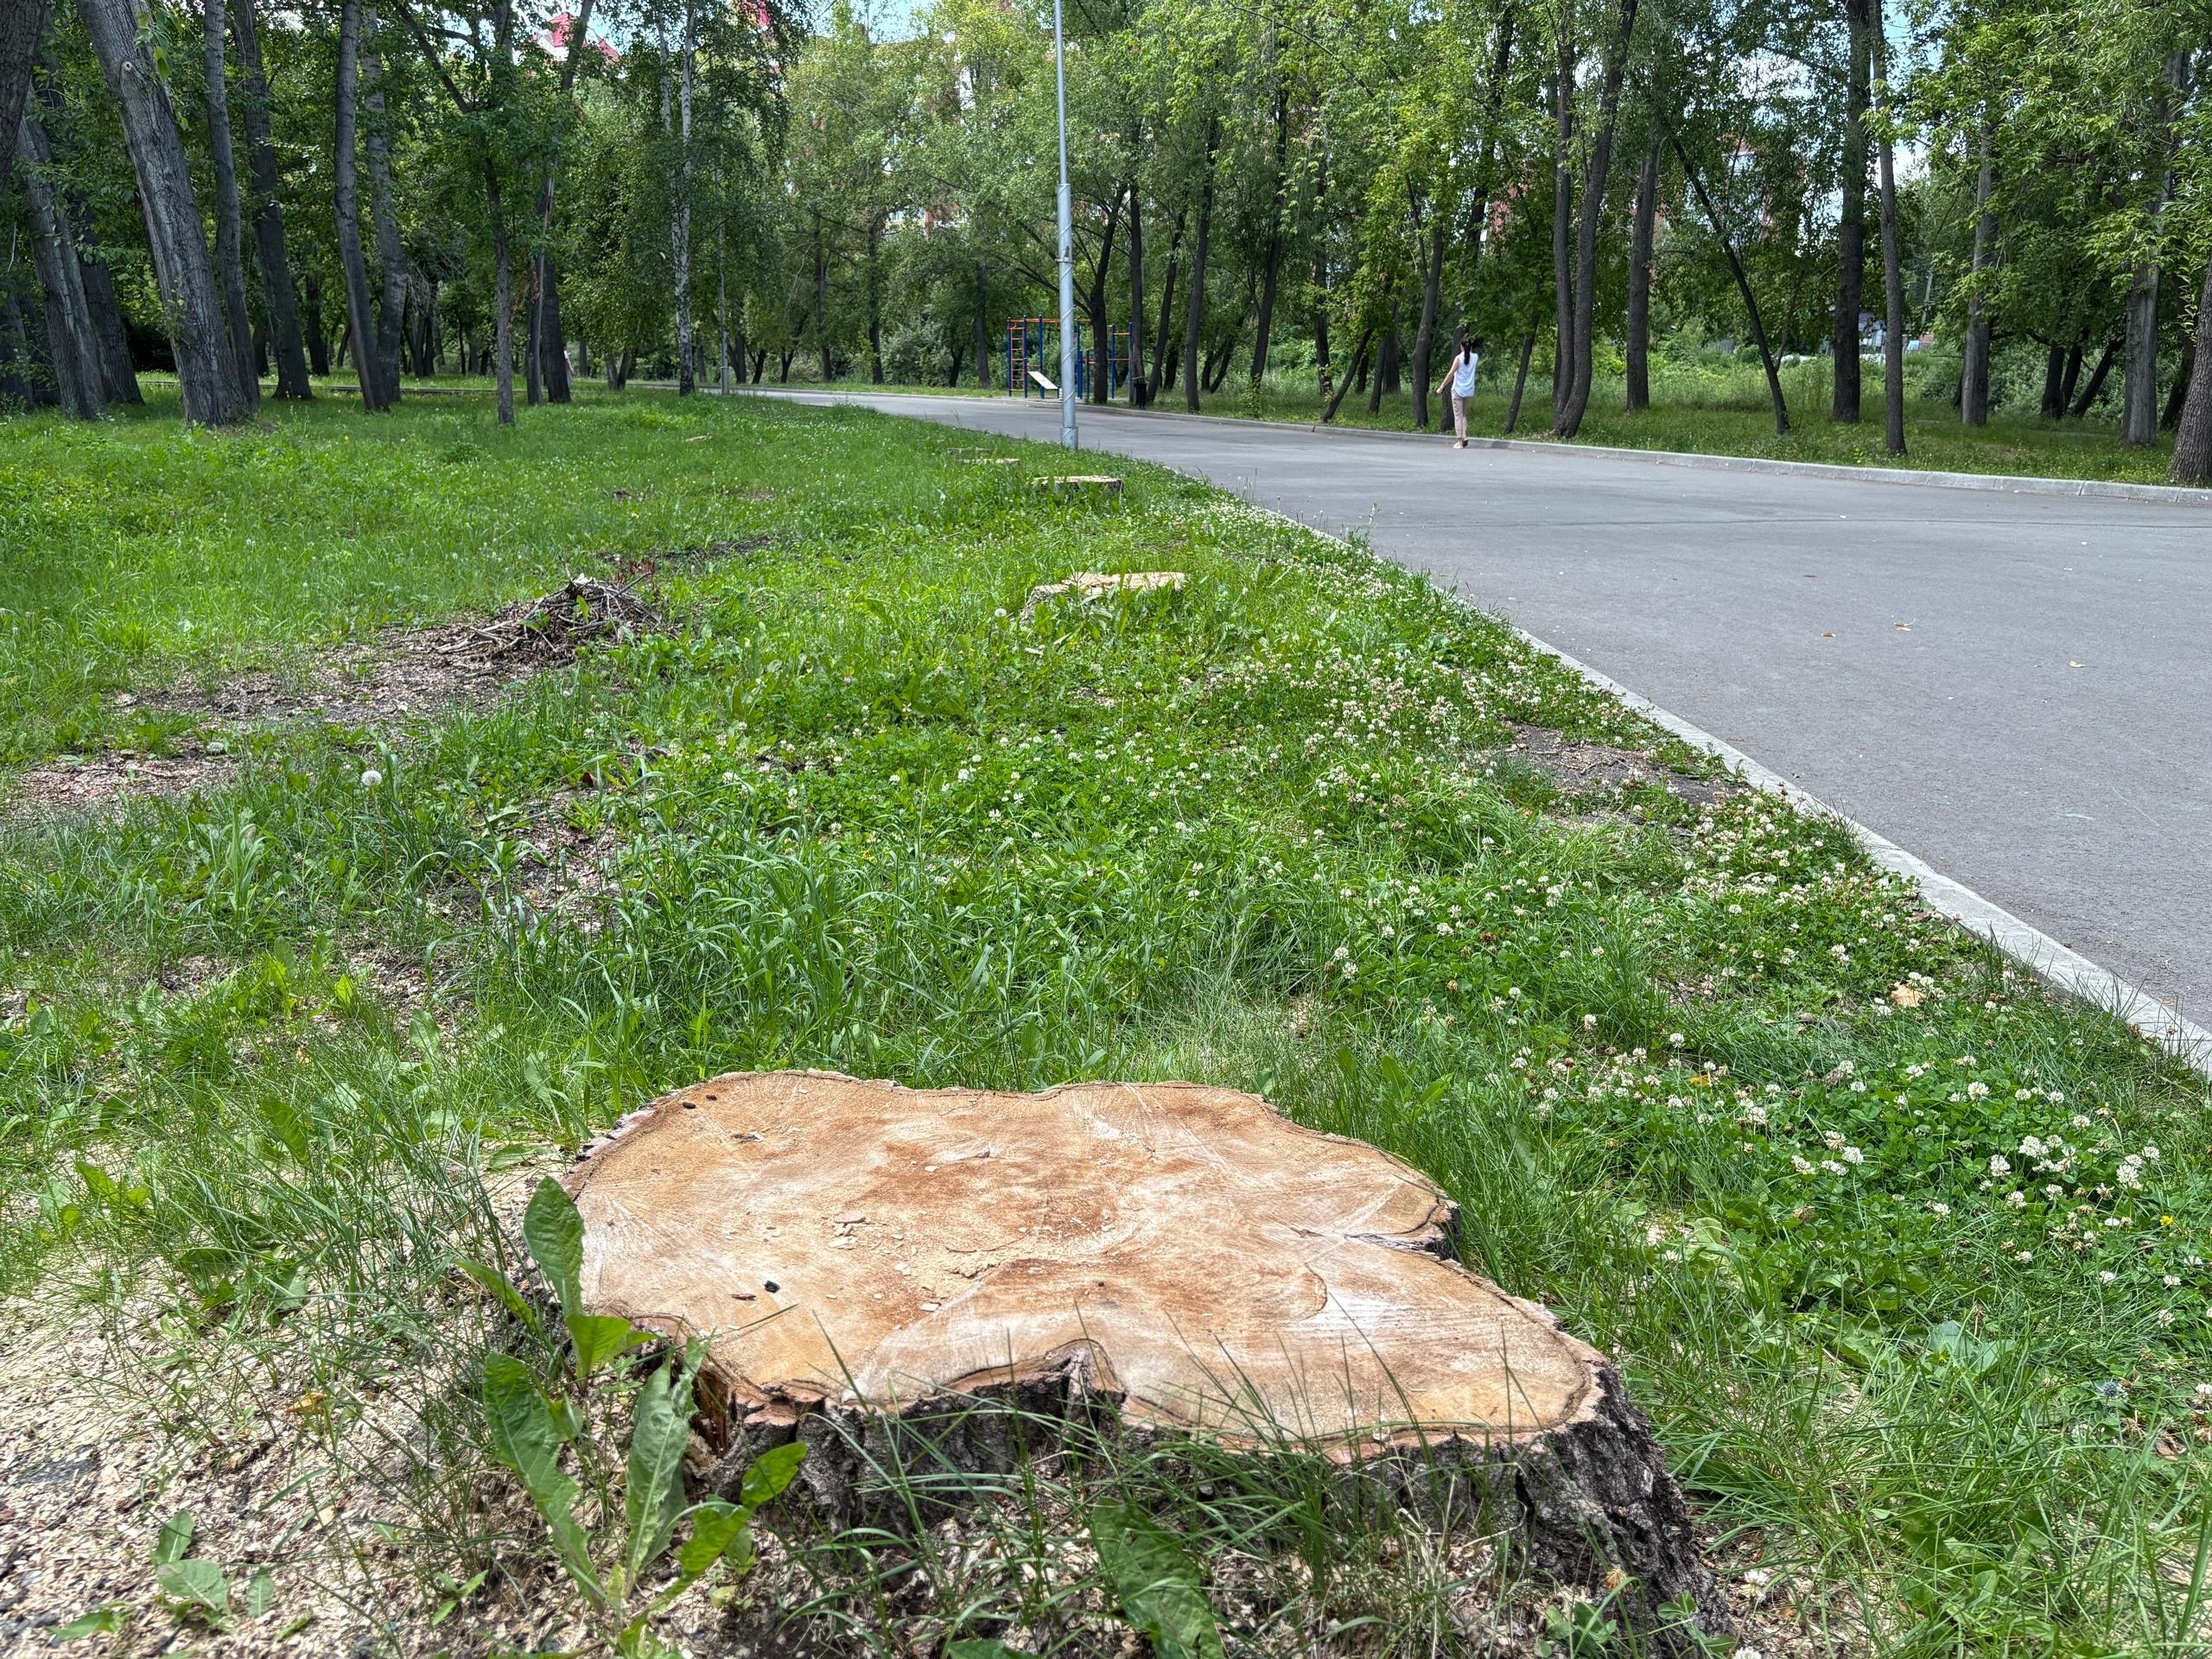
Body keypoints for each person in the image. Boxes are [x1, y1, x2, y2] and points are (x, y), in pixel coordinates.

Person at [1436, 333, 1480, 448]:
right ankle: (1464, 436)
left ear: (1461, 347)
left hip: (1458, 390)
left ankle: (1460, 441)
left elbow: (1451, 374)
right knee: (1464, 414)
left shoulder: (1458, 359)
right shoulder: (1475, 357)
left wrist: (1441, 387)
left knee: (1458, 415)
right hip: (1469, 391)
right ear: (1471, 347)